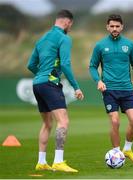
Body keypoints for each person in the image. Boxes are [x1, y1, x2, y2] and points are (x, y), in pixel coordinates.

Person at [27, 9, 84, 172]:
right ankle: (58, 161)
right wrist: (76, 87)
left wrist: (42, 75)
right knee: (63, 121)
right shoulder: (64, 38)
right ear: (67, 22)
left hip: (37, 84)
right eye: (71, 25)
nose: (70, 27)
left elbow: (31, 65)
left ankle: (41, 162)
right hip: (50, 84)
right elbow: (65, 64)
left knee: (47, 123)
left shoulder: (42, 39)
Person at [89, 14, 133, 163]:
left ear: (122, 27)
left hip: (127, 89)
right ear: (107, 27)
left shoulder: (129, 45)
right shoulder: (100, 45)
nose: (115, 29)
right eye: (112, 26)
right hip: (109, 90)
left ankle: (127, 149)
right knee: (115, 121)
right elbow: (92, 66)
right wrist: (98, 81)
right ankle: (116, 154)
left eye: (117, 26)